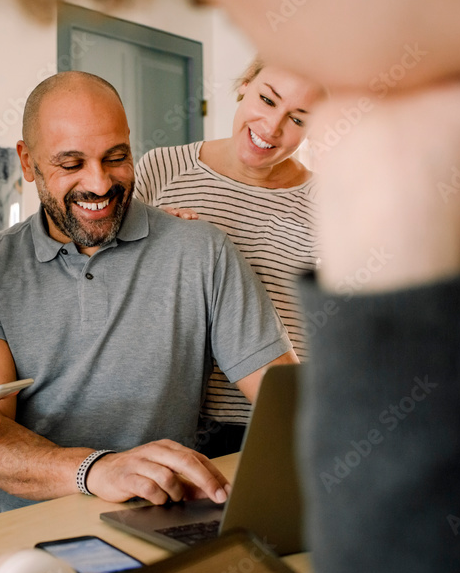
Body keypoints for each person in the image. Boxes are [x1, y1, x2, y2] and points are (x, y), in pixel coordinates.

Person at [0, 0, 460, 573]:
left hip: (302, 405)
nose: (286, 119)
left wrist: (397, 202)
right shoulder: (158, 181)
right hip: (230, 429)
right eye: (271, 96)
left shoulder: (321, 193)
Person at [0, 70, 297, 532]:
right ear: (27, 162)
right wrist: (97, 470)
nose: (99, 184)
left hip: (143, 518)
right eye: (71, 164)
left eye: (116, 157)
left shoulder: (200, 251)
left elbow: (288, 399)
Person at [135, 60, 326, 457]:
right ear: (245, 84)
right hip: (164, 425)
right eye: (267, 99)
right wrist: (146, 249)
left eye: (298, 118)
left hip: (273, 425)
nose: (272, 127)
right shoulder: (162, 169)